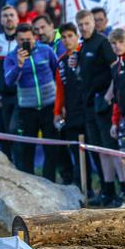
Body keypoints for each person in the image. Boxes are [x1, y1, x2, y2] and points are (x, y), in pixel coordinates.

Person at [76, 9, 125, 207]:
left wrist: (109, 95)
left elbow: (116, 69)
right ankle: (107, 192)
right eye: (80, 25)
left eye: (87, 23)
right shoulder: (82, 45)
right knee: (99, 150)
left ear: (93, 23)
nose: (84, 27)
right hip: (89, 105)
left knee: (112, 150)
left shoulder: (103, 43)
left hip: (104, 105)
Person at [4, 23, 58, 181]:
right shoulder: (11, 57)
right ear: (16, 40)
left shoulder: (46, 50)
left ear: (34, 37)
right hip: (27, 110)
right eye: (22, 40)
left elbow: (57, 71)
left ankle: (50, 183)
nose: (25, 42)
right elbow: (9, 81)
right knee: (27, 150)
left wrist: (60, 103)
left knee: (52, 149)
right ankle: (30, 184)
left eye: (28, 39)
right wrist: (19, 65)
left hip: (49, 106)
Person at [54, 22, 93, 193]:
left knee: (96, 152)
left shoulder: (86, 54)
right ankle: (84, 188)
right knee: (77, 153)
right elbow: (60, 90)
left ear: (77, 37)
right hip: (71, 113)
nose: (67, 40)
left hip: (89, 110)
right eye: (63, 37)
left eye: (70, 36)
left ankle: (109, 189)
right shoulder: (61, 62)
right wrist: (57, 111)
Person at [33, 14, 73, 184]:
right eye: (37, 29)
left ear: (51, 26)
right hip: (51, 101)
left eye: (43, 27)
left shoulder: (62, 41)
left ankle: (80, 181)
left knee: (73, 141)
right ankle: (67, 177)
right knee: (57, 141)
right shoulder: (38, 46)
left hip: (69, 99)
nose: (40, 32)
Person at [0, 6, 20, 161]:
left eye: (11, 15)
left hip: (20, 95)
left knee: (14, 130)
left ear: (17, 18)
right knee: (2, 133)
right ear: (1, 20)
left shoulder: (23, 39)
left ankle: (20, 166)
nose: (8, 18)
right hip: (3, 96)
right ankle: (7, 166)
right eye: (5, 15)